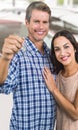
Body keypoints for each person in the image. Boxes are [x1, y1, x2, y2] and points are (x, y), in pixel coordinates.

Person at [0, 1, 56, 130]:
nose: (41, 27)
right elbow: (2, 85)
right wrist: (5, 58)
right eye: (36, 21)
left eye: (45, 22)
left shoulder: (52, 56)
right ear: (27, 23)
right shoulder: (18, 53)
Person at [43, 30, 78, 130]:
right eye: (57, 49)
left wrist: (54, 89)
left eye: (66, 47)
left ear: (74, 48)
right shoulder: (58, 76)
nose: (62, 53)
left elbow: (75, 114)